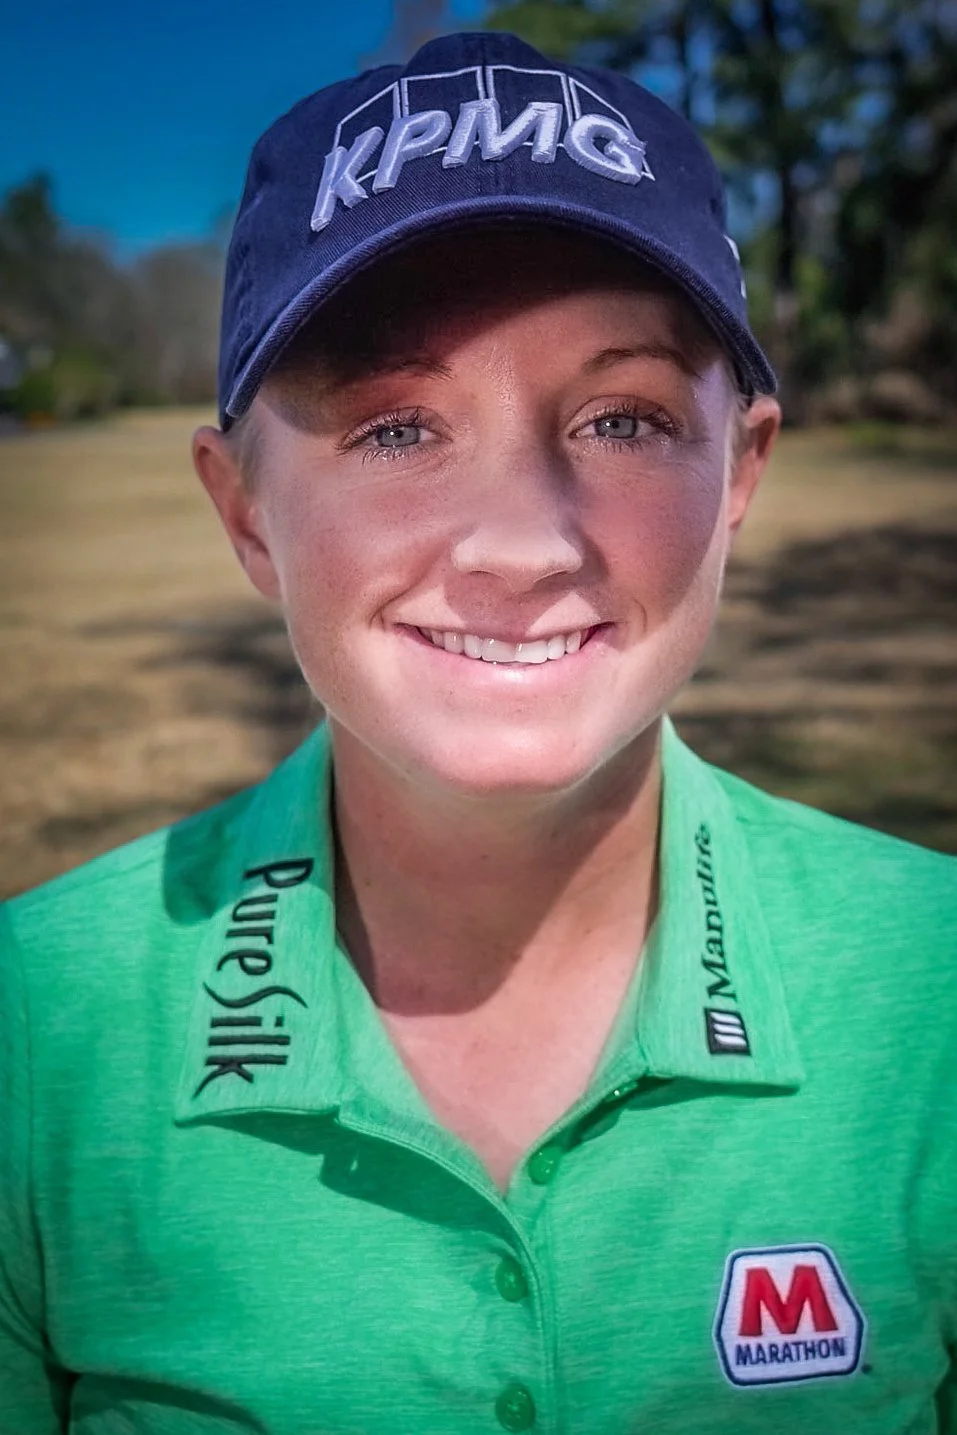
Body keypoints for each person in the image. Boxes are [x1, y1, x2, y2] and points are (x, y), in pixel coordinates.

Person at [1, 28, 954, 1435]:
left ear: (739, 468)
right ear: (247, 510)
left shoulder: (931, 989)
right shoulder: (38, 1034)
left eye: (622, 418)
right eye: (396, 429)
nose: (519, 542)